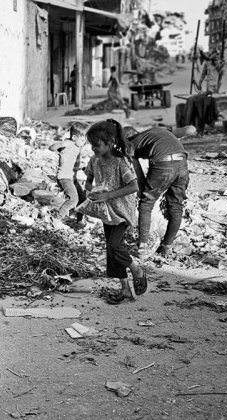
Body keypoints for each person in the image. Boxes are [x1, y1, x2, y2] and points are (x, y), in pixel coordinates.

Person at [83, 119, 148, 304]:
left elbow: (134, 186)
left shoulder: (121, 162)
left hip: (122, 212)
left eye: (97, 144)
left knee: (114, 247)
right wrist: (91, 190)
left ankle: (137, 269)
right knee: (111, 252)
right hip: (106, 212)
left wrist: (108, 195)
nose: (93, 148)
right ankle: (125, 289)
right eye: (91, 145)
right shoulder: (94, 160)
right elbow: (88, 179)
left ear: (110, 142)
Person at [126, 127, 189, 258]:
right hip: (182, 163)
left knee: (146, 204)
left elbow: (137, 170)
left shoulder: (131, 143)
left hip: (164, 164)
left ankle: (143, 247)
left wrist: (143, 192)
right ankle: (167, 247)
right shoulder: (154, 134)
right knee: (176, 206)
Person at [48, 122, 88, 220]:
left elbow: (71, 162)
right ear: (74, 137)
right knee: (73, 200)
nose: (84, 143)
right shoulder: (68, 144)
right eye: (82, 140)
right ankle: (56, 219)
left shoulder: (76, 147)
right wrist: (61, 144)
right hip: (64, 178)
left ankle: (79, 221)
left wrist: (82, 168)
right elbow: (51, 148)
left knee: (82, 199)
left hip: (72, 178)